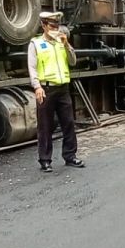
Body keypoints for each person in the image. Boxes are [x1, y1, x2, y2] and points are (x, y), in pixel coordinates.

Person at [27, 11, 85, 173]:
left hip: (63, 88)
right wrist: (37, 86)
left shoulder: (62, 42)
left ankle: (70, 156)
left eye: (57, 26)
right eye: (52, 26)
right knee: (45, 126)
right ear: (44, 26)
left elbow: (73, 62)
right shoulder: (36, 44)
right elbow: (32, 67)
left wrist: (67, 44)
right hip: (46, 89)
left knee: (68, 123)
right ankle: (45, 160)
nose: (55, 29)